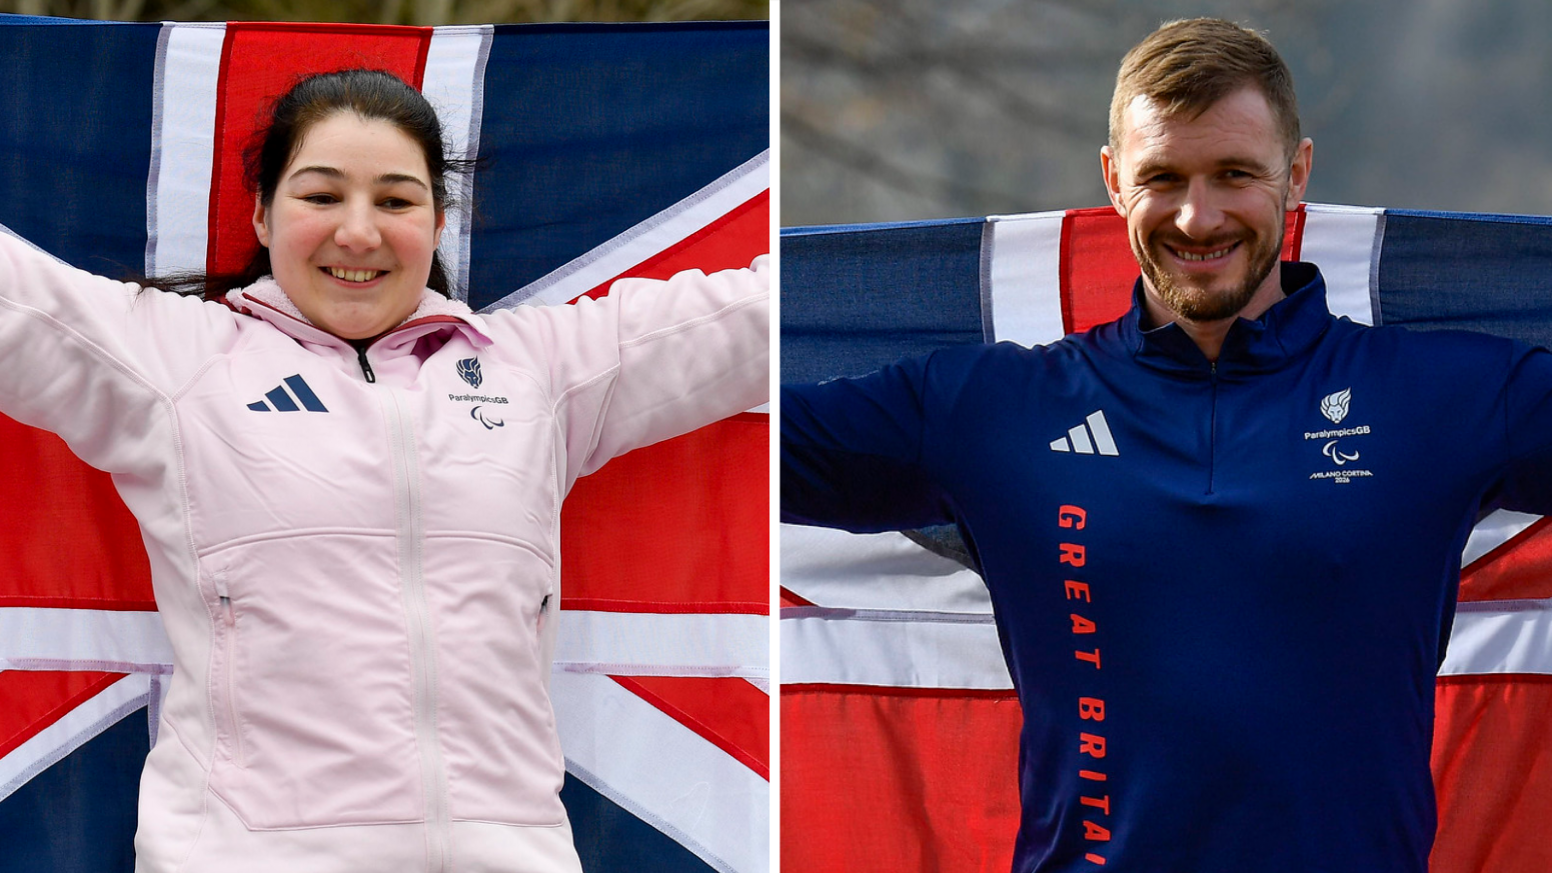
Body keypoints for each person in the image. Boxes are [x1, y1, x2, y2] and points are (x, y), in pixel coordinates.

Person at [782, 18, 1552, 873]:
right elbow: (745, 450)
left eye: (1234, 174)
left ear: (1296, 172)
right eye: (1164, 178)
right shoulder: (989, 409)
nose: (1198, 215)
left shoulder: (1445, 395)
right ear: (1113, 182)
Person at [0, 69, 767, 872]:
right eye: (321, 196)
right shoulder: (173, 359)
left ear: (438, 223)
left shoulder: (539, 370)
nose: (358, 233)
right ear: (263, 213)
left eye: (396, 201)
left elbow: (757, 317)